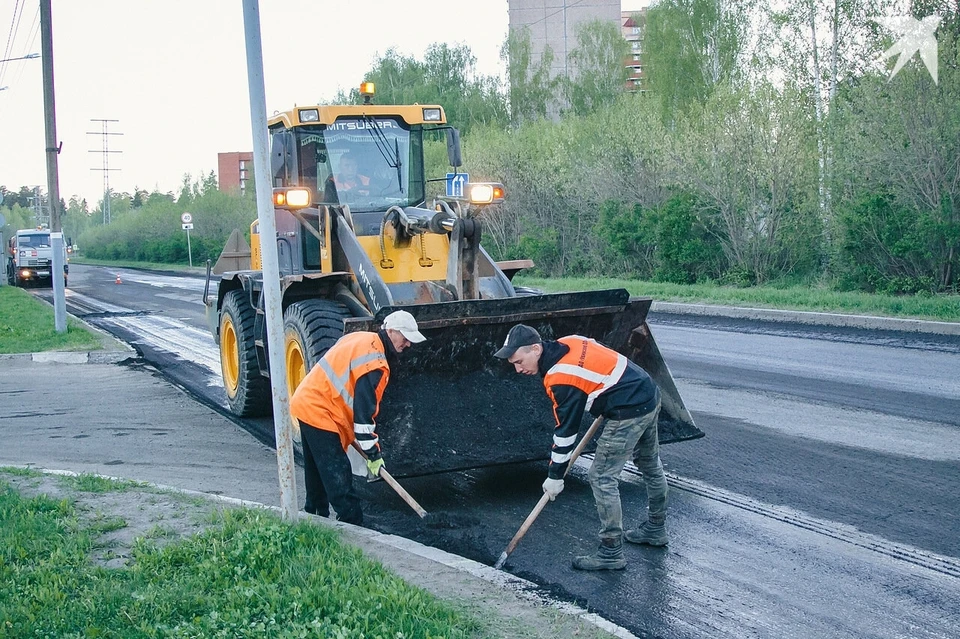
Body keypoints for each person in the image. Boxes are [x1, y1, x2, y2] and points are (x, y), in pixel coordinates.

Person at [494, 324, 669, 571]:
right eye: (513, 363)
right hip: (647, 390)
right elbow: (600, 365)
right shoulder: (569, 341)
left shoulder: (561, 378)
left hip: (628, 409)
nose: (517, 368)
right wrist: (603, 395)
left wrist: (555, 476)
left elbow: (566, 432)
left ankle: (611, 552)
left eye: (519, 361)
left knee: (601, 476)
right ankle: (656, 528)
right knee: (649, 461)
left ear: (536, 349)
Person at [290, 310, 426, 525]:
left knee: (316, 472)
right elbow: (364, 417)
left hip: (306, 402)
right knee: (338, 477)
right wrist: (373, 454)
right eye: (405, 337)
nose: (408, 344)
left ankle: (313, 518)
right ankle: (353, 525)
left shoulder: (362, 338)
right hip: (320, 411)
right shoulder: (376, 364)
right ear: (390, 331)